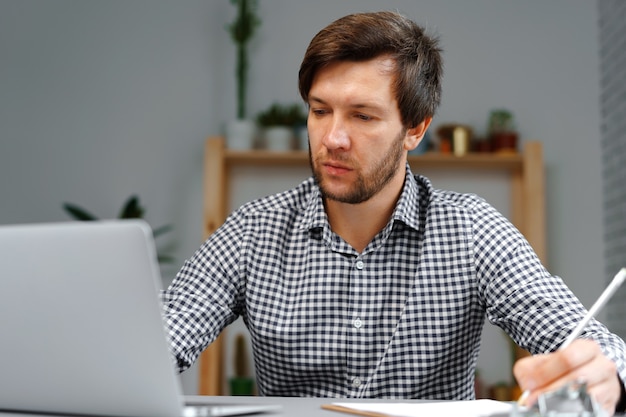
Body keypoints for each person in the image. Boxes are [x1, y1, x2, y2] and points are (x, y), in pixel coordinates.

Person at [161, 10, 626, 413]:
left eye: (363, 116)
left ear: (415, 129)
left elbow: (594, 346)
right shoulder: (253, 232)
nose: (333, 139)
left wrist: (607, 375)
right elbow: (160, 340)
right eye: (320, 110)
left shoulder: (469, 230)